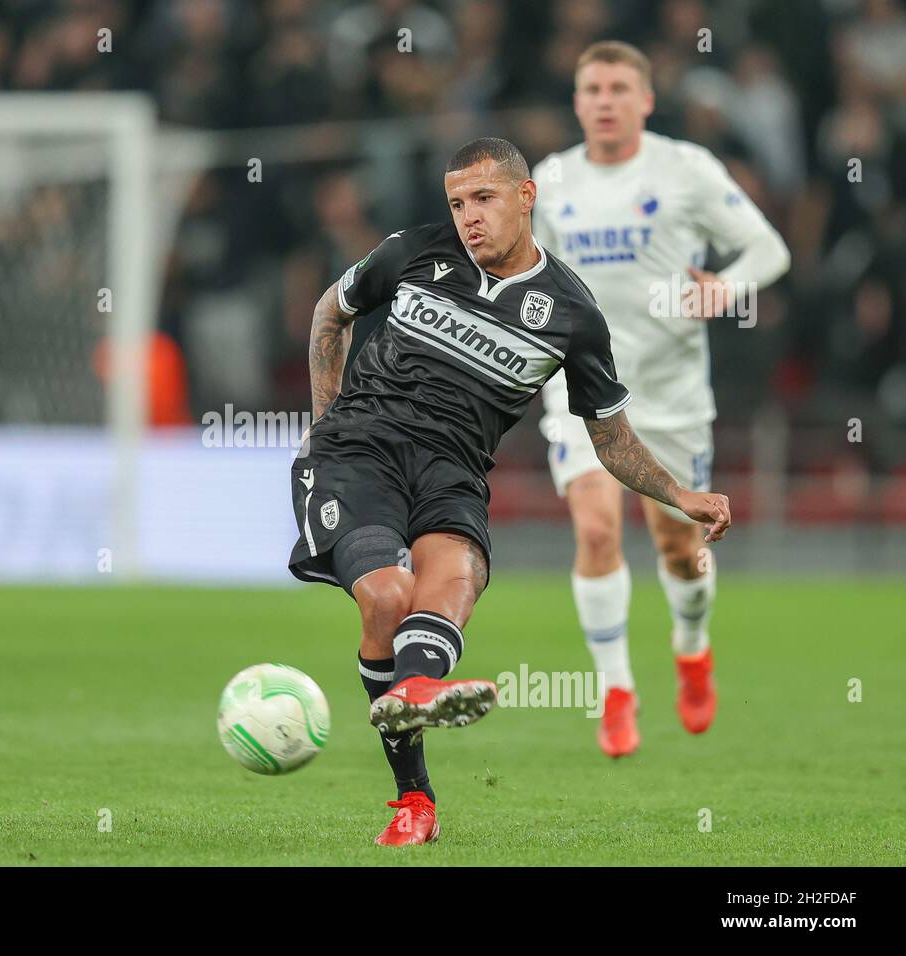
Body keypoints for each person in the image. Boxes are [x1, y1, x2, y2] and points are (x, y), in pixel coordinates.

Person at [288, 136, 732, 846]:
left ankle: (415, 719)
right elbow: (329, 314)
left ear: (526, 197)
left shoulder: (572, 315)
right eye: (458, 202)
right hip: (358, 452)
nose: (468, 216)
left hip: (453, 470)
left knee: (456, 581)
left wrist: (682, 495)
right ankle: (415, 776)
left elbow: (610, 438)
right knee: (388, 598)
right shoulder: (412, 253)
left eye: (484, 199)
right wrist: (321, 426)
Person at [531, 41, 790, 758]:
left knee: (680, 548)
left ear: (646, 99)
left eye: (619, 87)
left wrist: (727, 289)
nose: (606, 100)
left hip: (671, 396)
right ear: (578, 102)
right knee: (594, 530)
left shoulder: (686, 170)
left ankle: (692, 642)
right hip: (582, 391)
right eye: (592, 89)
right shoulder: (548, 183)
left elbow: (770, 250)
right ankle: (616, 691)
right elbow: (531, 281)